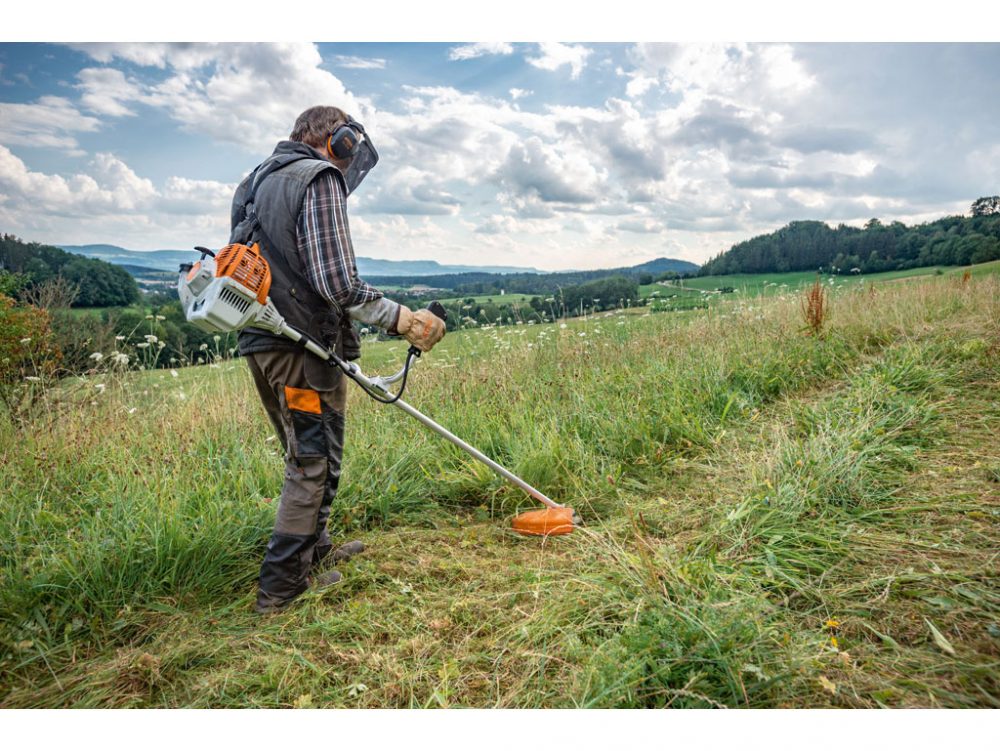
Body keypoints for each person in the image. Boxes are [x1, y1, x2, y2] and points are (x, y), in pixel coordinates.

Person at [229, 105, 446, 614]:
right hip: (301, 346)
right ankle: (281, 590)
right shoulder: (319, 176)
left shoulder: (255, 182)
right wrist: (403, 320)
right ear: (340, 141)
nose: (350, 169)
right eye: (350, 153)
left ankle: (314, 552)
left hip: (263, 341)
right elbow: (337, 283)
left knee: (309, 454)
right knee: (312, 461)